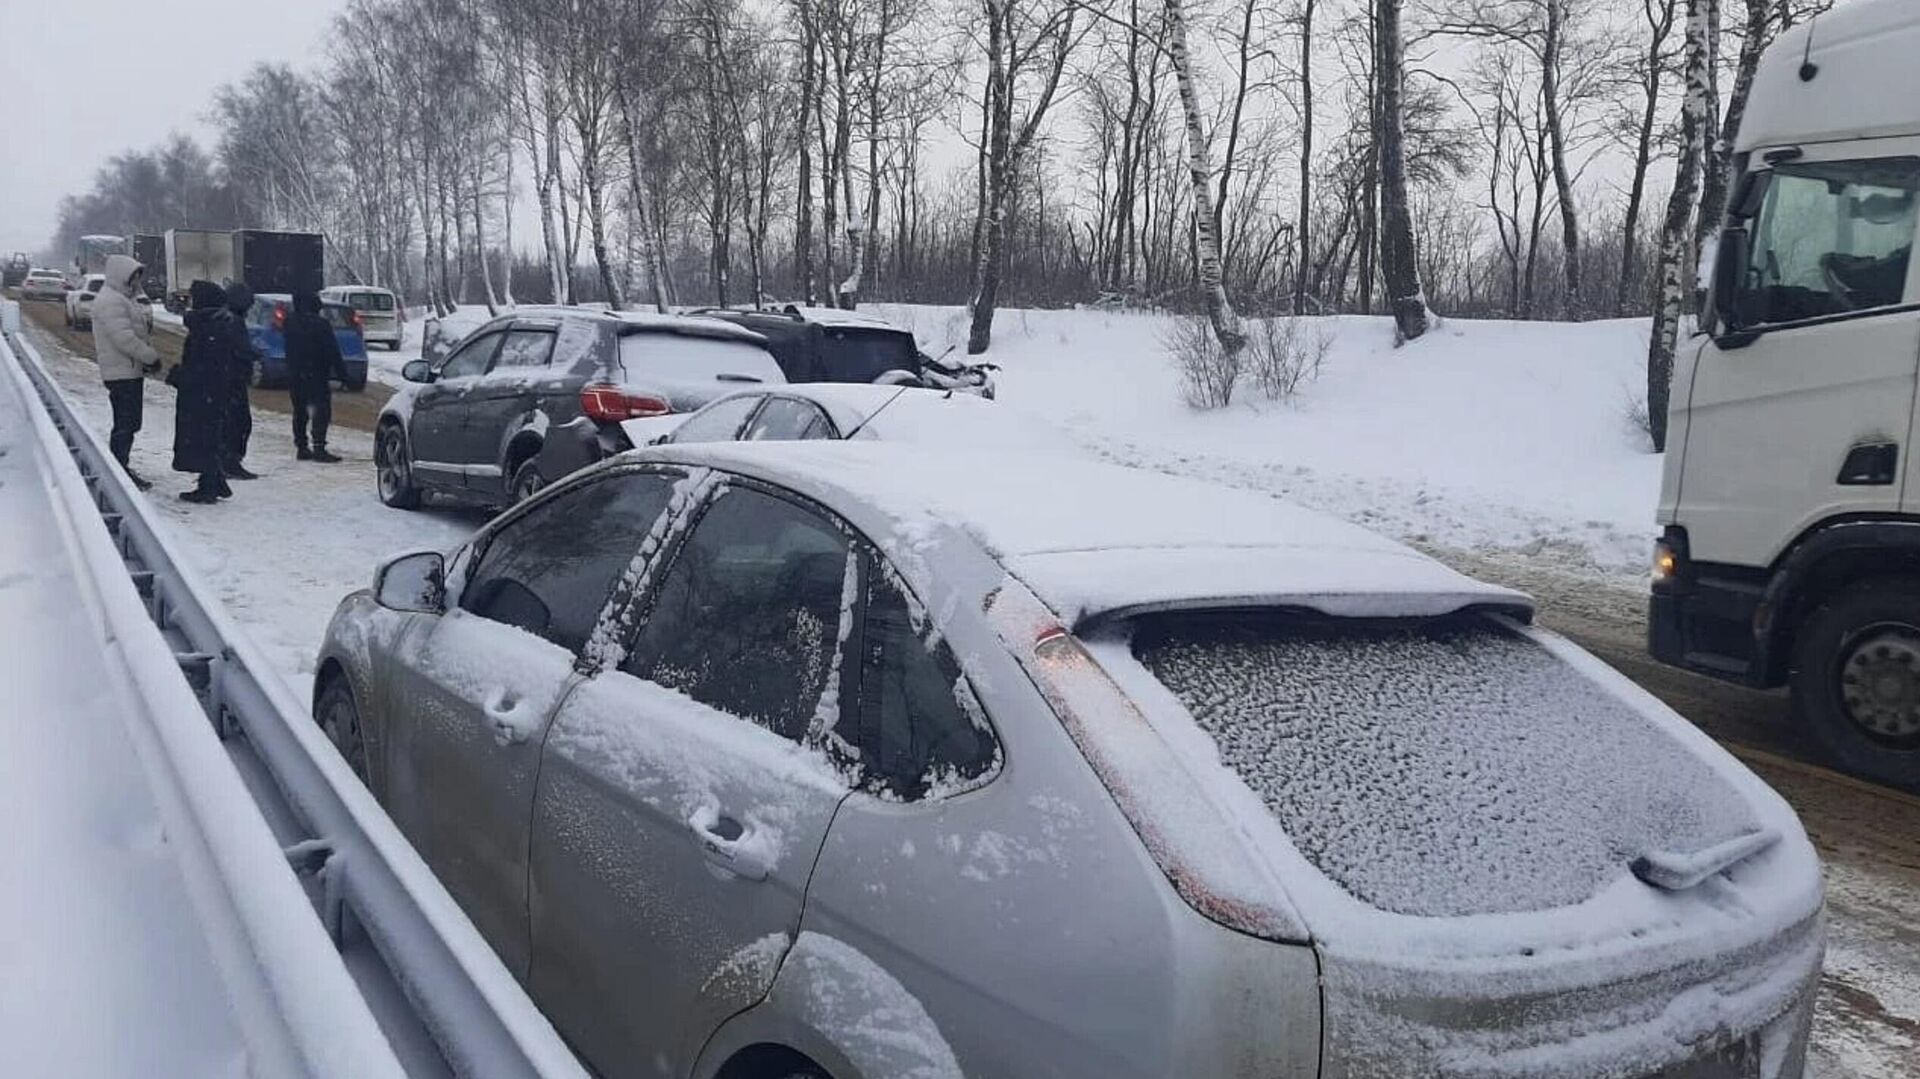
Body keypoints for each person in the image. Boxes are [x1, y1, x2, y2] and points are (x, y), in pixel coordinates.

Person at [90, 254, 161, 490]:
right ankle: (118, 469)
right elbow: (124, 338)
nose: (137, 282)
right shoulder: (111, 301)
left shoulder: (121, 298)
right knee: (125, 424)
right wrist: (149, 357)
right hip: (122, 374)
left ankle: (120, 466)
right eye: (134, 277)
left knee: (128, 423)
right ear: (122, 276)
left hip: (128, 371)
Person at [171, 280, 235, 504]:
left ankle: (208, 485)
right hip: (208, 391)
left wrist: (182, 376)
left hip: (204, 392)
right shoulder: (214, 324)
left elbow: (205, 365)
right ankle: (214, 480)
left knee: (203, 435)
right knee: (207, 434)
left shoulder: (209, 328)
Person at [285, 289, 346, 463]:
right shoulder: (321, 324)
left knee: (300, 410)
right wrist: (343, 375)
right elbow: (332, 351)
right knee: (321, 410)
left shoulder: (289, 322)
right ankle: (319, 446)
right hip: (317, 373)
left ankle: (301, 446)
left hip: (296, 373)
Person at [220, 282, 260, 479]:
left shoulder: (227, 318)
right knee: (239, 422)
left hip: (230, 377)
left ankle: (229, 460)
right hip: (233, 379)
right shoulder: (233, 321)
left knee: (235, 422)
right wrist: (255, 354)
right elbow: (241, 349)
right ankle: (231, 461)